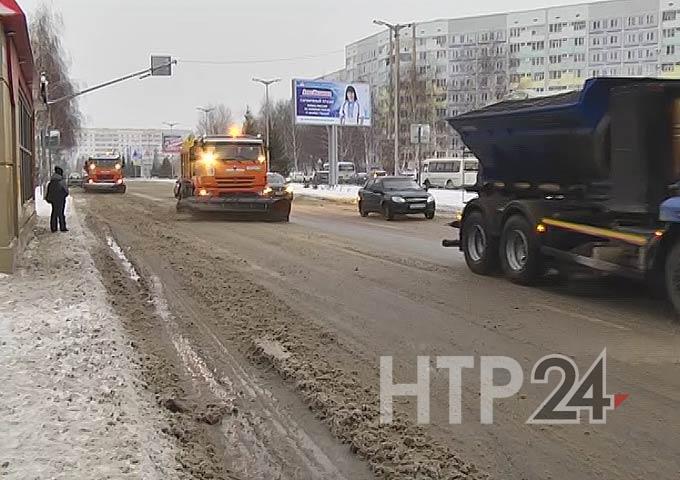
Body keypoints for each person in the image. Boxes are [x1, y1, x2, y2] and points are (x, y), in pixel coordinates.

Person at [45, 166, 69, 232]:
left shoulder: (51, 181)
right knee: (61, 213)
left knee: (54, 213)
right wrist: (64, 196)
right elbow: (66, 191)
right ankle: (62, 227)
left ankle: (53, 228)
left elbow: (48, 191)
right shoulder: (61, 181)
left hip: (53, 200)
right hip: (61, 199)